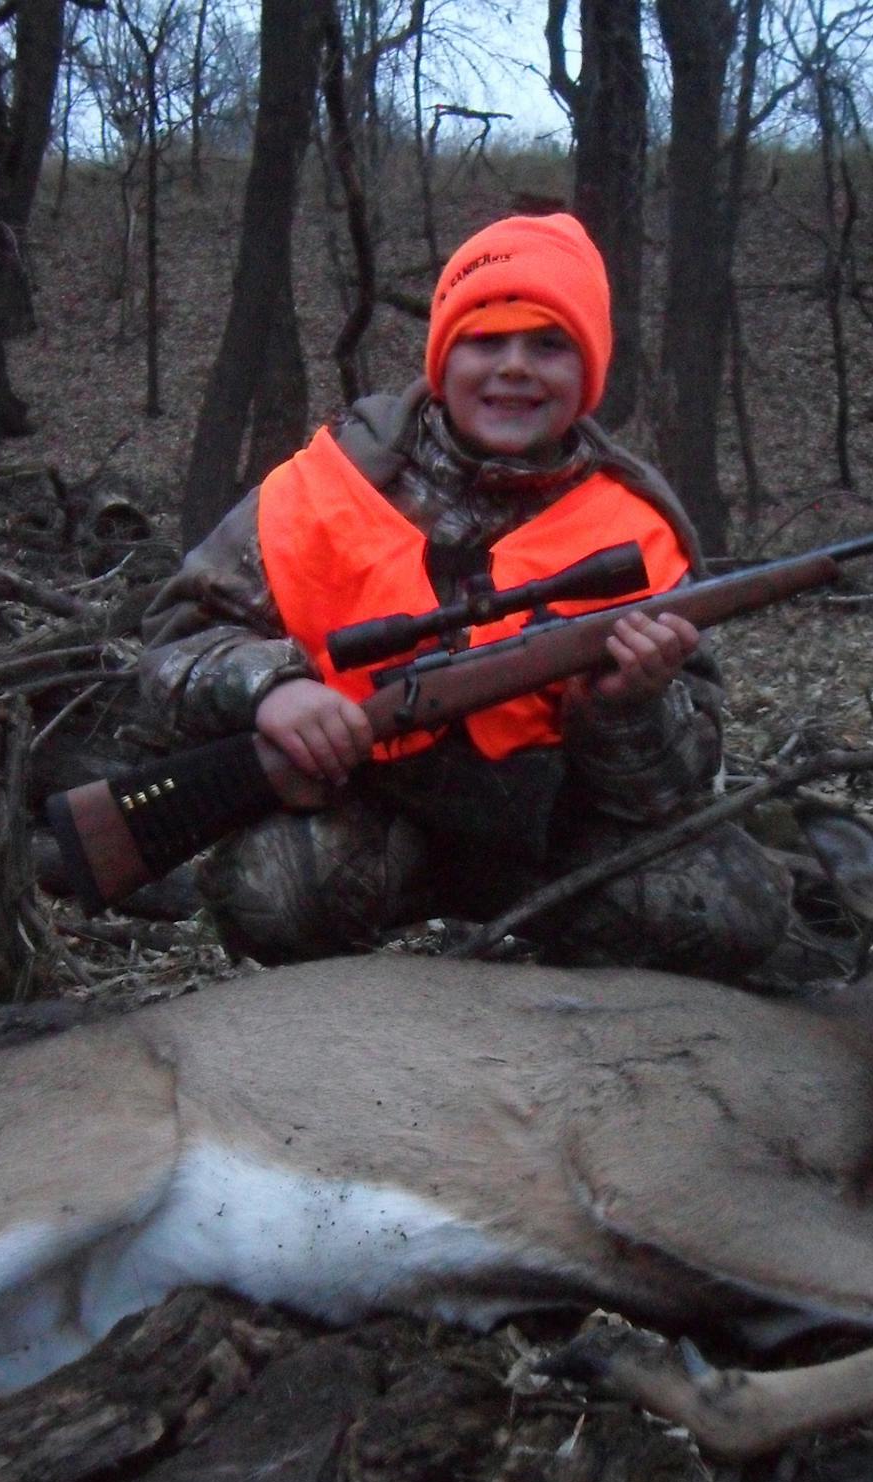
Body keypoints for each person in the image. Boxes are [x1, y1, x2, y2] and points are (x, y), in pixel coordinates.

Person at [137, 212, 791, 977]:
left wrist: (626, 706)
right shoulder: (325, 488)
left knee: (738, 912)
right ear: (443, 358)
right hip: (376, 819)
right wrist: (271, 689)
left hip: (558, 834)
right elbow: (170, 651)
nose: (515, 368)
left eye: (549, 345)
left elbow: (673, 791)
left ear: (590, 370)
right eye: (486, 340)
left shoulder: (636, 527)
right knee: (271, 888)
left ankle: (557, 1027)